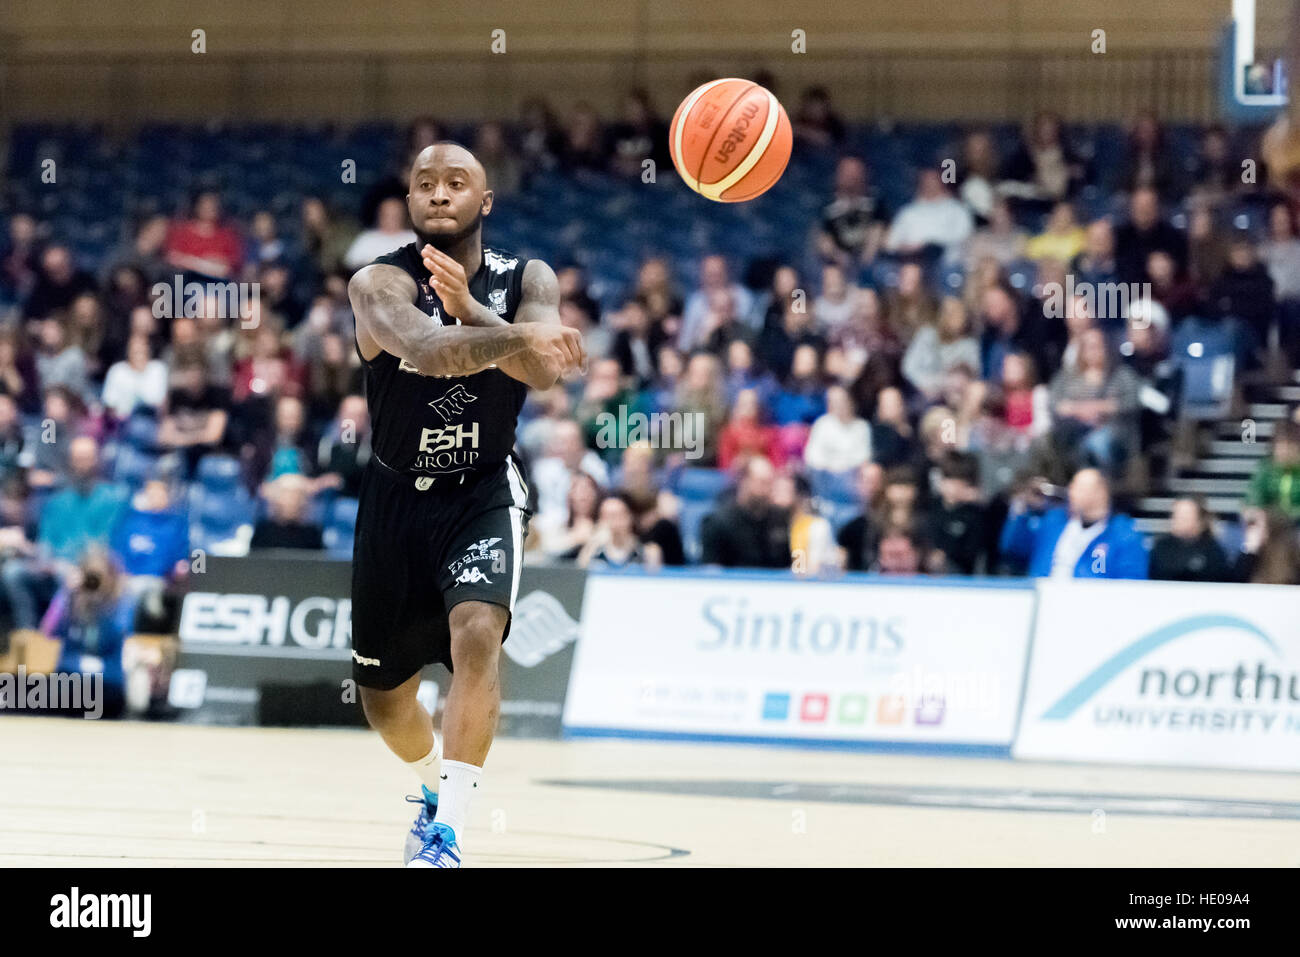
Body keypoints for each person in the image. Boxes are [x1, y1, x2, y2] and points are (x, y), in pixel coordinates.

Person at [346, 142, 585, 868]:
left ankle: (445, 834)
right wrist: (512, 332)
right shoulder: (378, 282)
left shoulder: (527, 276)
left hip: (481, 492)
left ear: (485, 202)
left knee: (478, 633)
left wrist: (476, 309)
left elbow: (544, 375)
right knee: (386, 704)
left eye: (457, 183)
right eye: (424, 184)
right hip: (394, 500)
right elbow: (427, 351)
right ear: (411, 204)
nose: (439, 194)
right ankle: (429, 788)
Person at [999, 467, 1148, 579]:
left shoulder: (1122, 534)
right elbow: (1012, 548)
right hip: (1044, 597)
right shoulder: (1054, 521)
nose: (1071, 492)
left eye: (1079, 488)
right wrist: (1024, 511)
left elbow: (1129, 580)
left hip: (1088, 606)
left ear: (1100, 493)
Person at [699, 457, 791, 569]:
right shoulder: (717, 522)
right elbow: (710, 571)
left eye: (770, 483)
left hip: (775, 584)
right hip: (733, 584)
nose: (767, 489)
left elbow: (795, 563)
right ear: (743, 481)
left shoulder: (782, 519)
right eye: (762, 482)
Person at [1148, 498, 1232, 582]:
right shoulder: (1161, 547)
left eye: (1186, 516)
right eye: (1177, 515)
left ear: (1199, 520)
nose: (1179, 520)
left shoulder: (1212, 549)